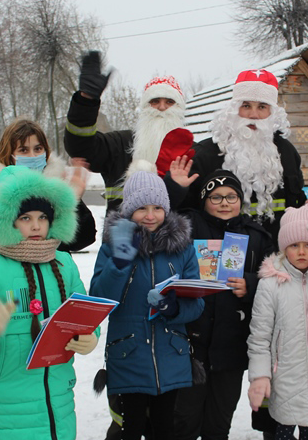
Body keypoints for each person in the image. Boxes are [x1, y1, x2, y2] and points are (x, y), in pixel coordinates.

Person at [0, 165, 96, 440]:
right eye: (25, 217)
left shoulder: (64, 263)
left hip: (60, 406)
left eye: (43, 216)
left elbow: (84, 312)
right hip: (9, 410)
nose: (36, 225)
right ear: (8, 221)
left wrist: (90, 336)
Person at [90, 170, 205, 440]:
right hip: (128, 353)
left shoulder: (182, 248)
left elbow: (197, 304)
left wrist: (172, 308)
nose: (150, 215)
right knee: (132, 428)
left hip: (171, 353)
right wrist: (120, 263)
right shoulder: (112, 245)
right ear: (130, 210)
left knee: (165, 428)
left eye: (157, 208)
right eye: (142, 207)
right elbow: (100, 300)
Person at [172, 170, 274, 440]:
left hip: (232, 346)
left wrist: (250, 284)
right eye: (216, 197)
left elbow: (275, 279)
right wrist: (176, 188)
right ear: (204, 200)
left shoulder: (256, 236)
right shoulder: (188, 225)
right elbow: (159, 218)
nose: (225, 202)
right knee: (184, 420)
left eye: (231, 196)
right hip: (191, 345)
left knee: (219, 423)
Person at [180, 69, 305, 240]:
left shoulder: (287, 153)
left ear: (271, 113)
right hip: (220, 256)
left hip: (277, 256)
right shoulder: (206, 154)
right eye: (246, 106)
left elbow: (297, 203)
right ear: (234, 109)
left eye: (262, 107)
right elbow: (186, 213)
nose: (253, 115)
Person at [247, 203, 308, 440]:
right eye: (294, 245)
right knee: (283, 431)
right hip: (284, 378)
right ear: (284, 247)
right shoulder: (270, 284)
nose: (301, 251)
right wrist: (260, 376)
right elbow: (259, 337)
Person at [64, 50, 189, 213]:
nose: (162, 107)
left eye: (170, 102)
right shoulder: (120, 143)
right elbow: (81, 148)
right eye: (155, 101)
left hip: (173, 237)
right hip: (120, 236)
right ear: (144, 107)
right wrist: (86, 101)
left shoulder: (191, 152)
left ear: (179, 108)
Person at [0, 117, 96, 252]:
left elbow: (84, 239)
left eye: (38, 149)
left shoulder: (56, 187)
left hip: (52, 270)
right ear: (9, 155)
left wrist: (72, 201)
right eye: (23, 150)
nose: (32, 156)